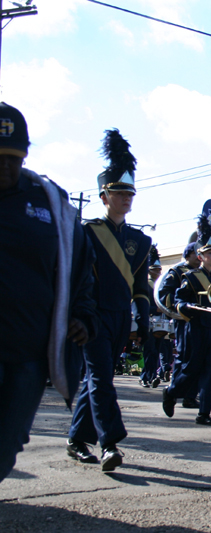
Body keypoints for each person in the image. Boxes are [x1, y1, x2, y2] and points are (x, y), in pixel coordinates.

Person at [0, 102, 97, 483]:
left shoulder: (48, 200)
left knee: (7, 443)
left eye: (14, 158)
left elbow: (79, 266)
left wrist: (83, 314)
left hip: (28, 355)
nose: (5, 167)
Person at [67, 129, 150, 472]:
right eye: (119, 192)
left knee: (98, 379)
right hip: (93, 316)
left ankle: (75, 438)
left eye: (130, 191)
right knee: (100, 377)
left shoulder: (140, 241)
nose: (126, 197)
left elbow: (141, 286)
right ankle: (110, 443)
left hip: (120, 317)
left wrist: (142, 318)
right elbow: (75, 278)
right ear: (104, 196)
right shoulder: (86, 233)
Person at [162, 217, 211, 426]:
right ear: (200, 256)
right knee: (192, 369)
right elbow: (179, 299)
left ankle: (204, 413)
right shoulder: (190, 276)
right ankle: (171, 392)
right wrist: (184, 306)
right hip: (196, 328)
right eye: (209, 253)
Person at [157, 242, 200, 394]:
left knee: (198, 358)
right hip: (184, 320)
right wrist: (183, 304)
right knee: (184, 356)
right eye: (196, 253)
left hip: (200, 320)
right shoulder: (176, 271)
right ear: (188, 254)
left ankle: (190, 395)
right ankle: (175, 391)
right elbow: (165, 294)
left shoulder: (203, 272)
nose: (200, 256)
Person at [140, 245, 163, 388]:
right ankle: (147, 376)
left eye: (159, 270)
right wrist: (157, 309)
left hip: (159, 322)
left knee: (157, 351)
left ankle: (151, 375)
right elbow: (143, 304)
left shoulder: (159, 286)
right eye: (155, 270)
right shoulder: (145, 284)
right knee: (149, 350)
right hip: (149, 320)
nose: (158, 272)